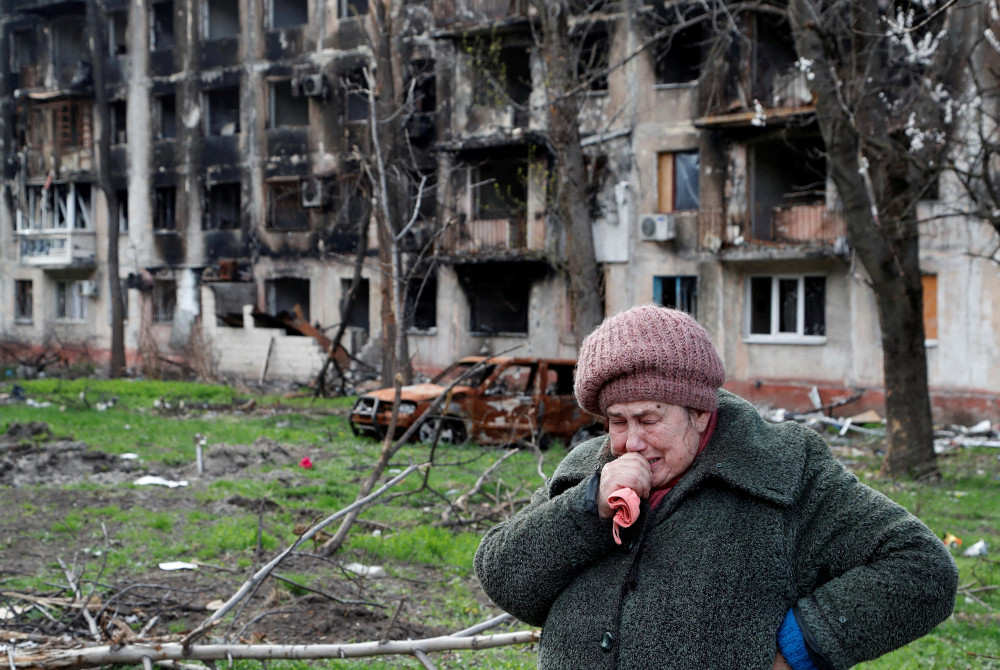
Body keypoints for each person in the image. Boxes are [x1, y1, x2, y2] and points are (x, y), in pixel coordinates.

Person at [474, 304, 957, 669]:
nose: (631, 443)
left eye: (649, 418)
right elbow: (504, 579)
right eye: (617, 422)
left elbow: (921, 568)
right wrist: (586, 508)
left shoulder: (781, 467)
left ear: (700, 411)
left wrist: (802, 645)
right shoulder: (588, 469)